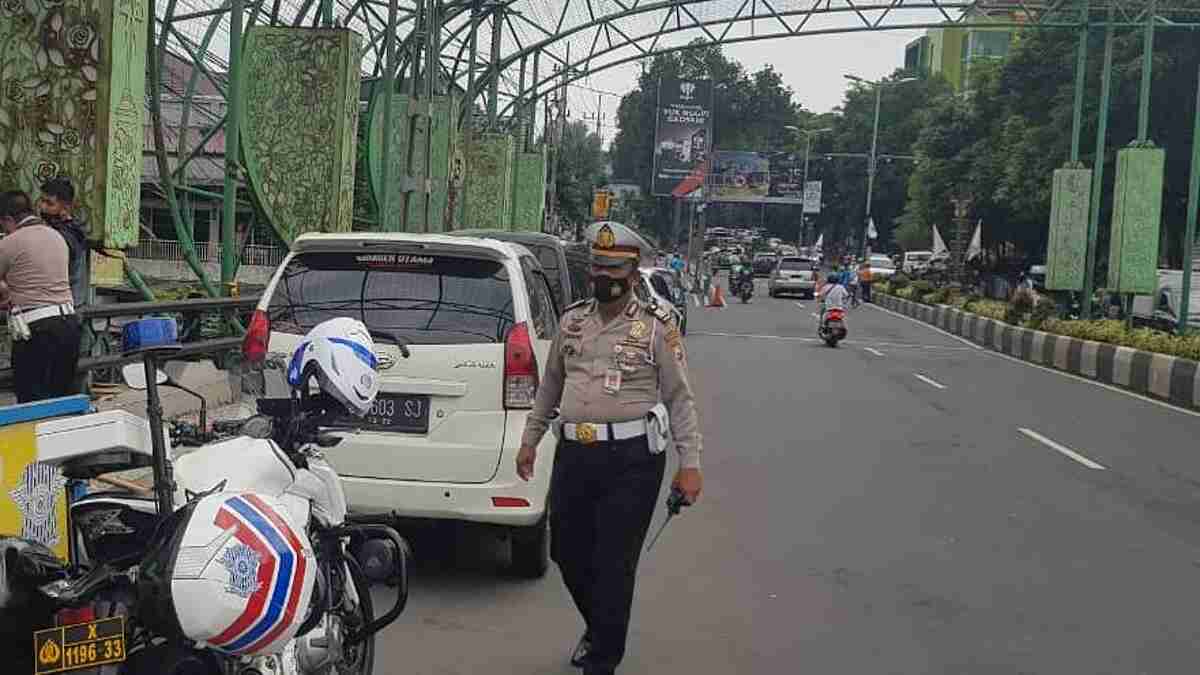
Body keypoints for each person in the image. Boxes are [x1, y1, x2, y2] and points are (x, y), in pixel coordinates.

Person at [516, 222, 704, 675]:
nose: (601, 275)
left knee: (615, 562)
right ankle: (602, 627)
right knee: (566, 549)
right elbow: (551, 385)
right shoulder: (573, 321)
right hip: (576, 454)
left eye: (612, 267)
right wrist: (530, 439)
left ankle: (602, 659)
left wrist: (690, 464)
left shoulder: (658, 327)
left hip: (633, 460)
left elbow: (679, 397)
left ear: (632, 271)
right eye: (597, 266)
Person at [0, 190, 82, 403]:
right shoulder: (57, 237)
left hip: (36, 331)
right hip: (69, 325)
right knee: (61, 401)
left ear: (8, 219)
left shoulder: (10, 243)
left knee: (32, 403)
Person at [37, 177, 88, 309]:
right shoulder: (72, 229)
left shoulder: (67, 236)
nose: (42, 207)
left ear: (65, 207)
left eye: (49, 203)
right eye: (41, 201)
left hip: (64, 308)